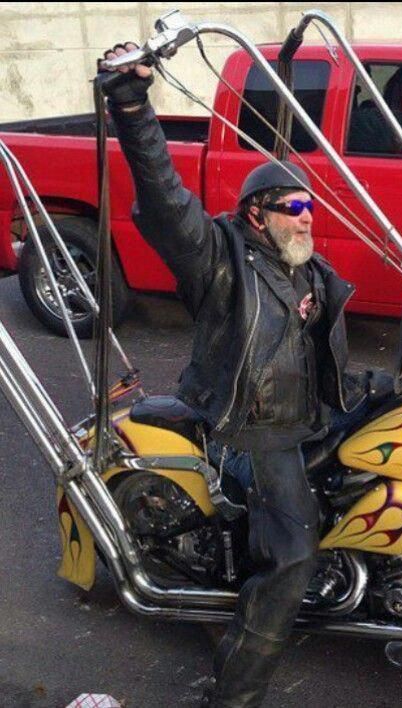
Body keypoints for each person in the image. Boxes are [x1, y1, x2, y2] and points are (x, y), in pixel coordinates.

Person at [99, 43, 369, 707]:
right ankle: (233, 696)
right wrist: (132, 106)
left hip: (309, 415)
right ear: (256, 213)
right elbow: (166, 201)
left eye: (310, 207)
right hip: (249, 431)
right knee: (291, 556)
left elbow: (321, 359)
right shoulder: (222, 264)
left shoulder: (306, 270)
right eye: (292, 207)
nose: (307, 218)